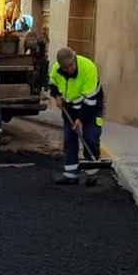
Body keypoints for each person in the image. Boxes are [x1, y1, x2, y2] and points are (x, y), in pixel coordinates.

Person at [49, 47, 104, 185]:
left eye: (71, 65)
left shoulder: (88, 69)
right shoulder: (56, 68)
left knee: (90, 136)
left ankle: (91, 173)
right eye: (65, 68)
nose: (69, 69)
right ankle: (71, 174)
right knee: (69, 139)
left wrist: (80, 120)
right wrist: (56, 96)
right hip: (69, 108)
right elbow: (52, 83)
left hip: (91, 107)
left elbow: (90, 101)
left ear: (74, 59)